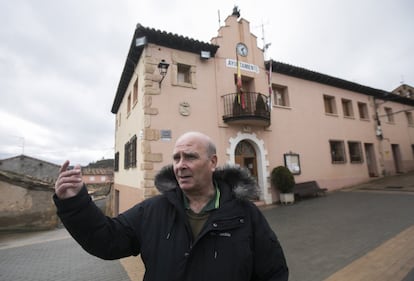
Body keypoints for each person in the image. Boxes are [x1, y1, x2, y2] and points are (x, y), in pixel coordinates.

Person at [54, 131, 289, 281]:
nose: (180, 165)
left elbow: (273, 273)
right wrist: (75, 203)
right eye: (176, 158)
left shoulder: (246, 215)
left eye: (190, 157)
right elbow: (107, 240)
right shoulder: (153, 210)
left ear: (213, 162)